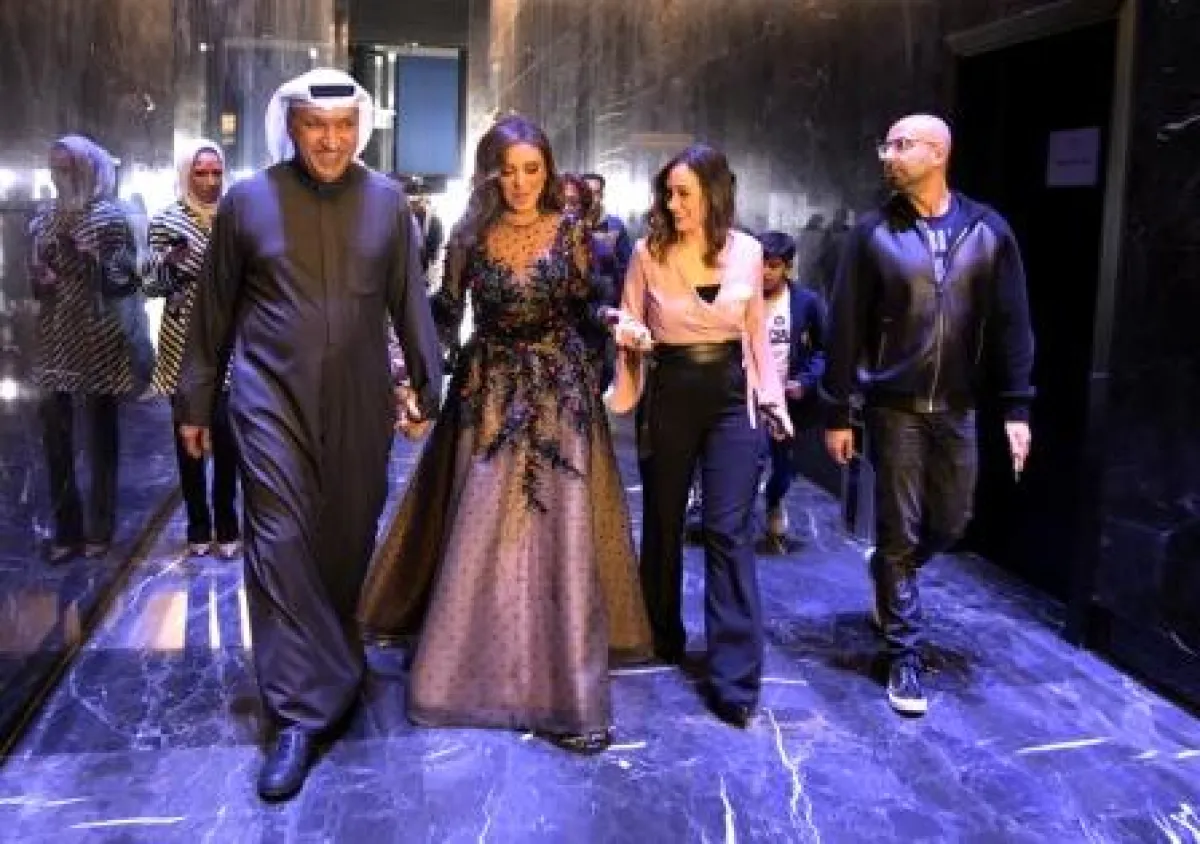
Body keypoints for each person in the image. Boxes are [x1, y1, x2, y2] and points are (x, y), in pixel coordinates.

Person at [177, 68, 443, 801]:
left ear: (360, 128)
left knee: (345, 539)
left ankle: (334, 666)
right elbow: (211, 311)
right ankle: (296, 714)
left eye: (343, 126)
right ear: (290, 127)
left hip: (360, 399)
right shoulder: (246, 202)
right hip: (268, 398)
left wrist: (428, 387)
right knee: (279, 541)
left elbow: (409, 301)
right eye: (315, 126)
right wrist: (194, 405)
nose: (330, 141)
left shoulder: (387, 203)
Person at [359, 116, 651, 754]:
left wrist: (616, 321)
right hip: (487, 393)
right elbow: (443, 316)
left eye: (532, 170)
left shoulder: (571, 231)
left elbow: (585, 307)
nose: (520, 183)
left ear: (548, 171)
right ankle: (464, 683)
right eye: (508, 170)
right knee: (482, 533)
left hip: (559, 398)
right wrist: (412, 379)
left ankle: (565, 693)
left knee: (558, 539)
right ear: (490, 173)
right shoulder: (469, 235)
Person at [823, 114, 1034, 717]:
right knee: (899, 530)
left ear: (938, 153)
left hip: (959, 407)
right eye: (885, 145)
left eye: (901, 145)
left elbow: (1014, 323)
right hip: (894, 408)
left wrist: (1017, 407)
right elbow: (845, 326)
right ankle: (904, 654)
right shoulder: (872, 234)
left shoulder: (988, 231)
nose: (887, 155)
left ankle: (891, 574)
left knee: (953, 521)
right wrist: (838, 410)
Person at [608, 144, 793, 729]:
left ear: (713, 194)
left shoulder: (749, 253)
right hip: (670, 391)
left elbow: (755, 335)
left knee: (727, 529)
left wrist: (772, 400)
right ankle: (660, 632)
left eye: (684, 193)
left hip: (731, 398)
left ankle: (735, 676)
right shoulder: (648, 252)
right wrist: (630, 333)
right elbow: (627, 315)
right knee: (663, 521)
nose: (673, 203)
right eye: (668, 193)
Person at [28, 135, 147, 562]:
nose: (63, 177)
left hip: (99, 333)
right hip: (56, 335)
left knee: (100, 435)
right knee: (56, 438)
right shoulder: (43, 218)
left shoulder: (111, 218)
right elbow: (35, 282)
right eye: (57, 168)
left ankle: (100, 526)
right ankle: (67, 528)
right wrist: (40, 279)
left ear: (90, 170)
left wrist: (96, 261)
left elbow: (129, 280)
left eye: (70, 168)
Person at [142, 139, 240, 559]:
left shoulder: (236, 215)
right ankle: (198, 522)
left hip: (231, 338)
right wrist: (169, 263)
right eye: (201, 172)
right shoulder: (166, 220)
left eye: (216, 172)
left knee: (228, 433)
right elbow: (150, 284)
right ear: (187, 173)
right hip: (183, 340)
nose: (210, 180)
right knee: (188, 438)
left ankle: (227, 520)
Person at [757, 230, 827, 547]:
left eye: (773, 265)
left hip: (788, 401)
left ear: (787, 267)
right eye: (761, 264)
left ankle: (773, 500)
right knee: (751, 461)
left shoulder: (806, 302)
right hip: (748, 398)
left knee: (785, 469)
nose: (765, 272)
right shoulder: (743, 299)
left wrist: (805, 381)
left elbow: (824, 349)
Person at [582, 172, 633, 297]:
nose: (591, 198)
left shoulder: (616, 226)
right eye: (587, 193)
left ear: (602, 195)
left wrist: (610, 258)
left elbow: (628, 269)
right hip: (574, 300)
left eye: (596, 193)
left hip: (606, 300)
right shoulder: (568, 225)